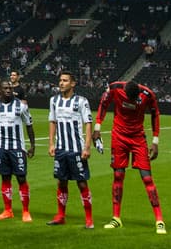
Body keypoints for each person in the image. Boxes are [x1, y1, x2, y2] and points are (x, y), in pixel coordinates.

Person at [94, 79, 166, 233]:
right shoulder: (115, 88)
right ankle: (116, 218)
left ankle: (159, 220)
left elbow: (155, 114)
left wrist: (155, 141)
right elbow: (103, 103)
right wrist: (97, 127)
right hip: (119, 136)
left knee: (147, 178)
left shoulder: (148, 94)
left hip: (138, 138)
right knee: (118, 175)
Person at [48, 70, 95, 228]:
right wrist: (51, 143)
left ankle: (89, 219)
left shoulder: (81, 101)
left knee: (81, 183)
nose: (61, 83)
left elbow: (88, 123)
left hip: (76, 149)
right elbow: (52, 122)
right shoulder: (54, 101)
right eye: (60, 80)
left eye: (65, 80)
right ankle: (61, 215)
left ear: (73, 83)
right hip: (61, 149)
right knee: (61, 182)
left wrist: (87, 147)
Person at [0, 79, 37, 221]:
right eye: (5, 88)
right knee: (5, 177)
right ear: (0, 90)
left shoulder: (21, 106)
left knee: (21, 178)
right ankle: (7, 210)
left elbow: (29, 125)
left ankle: (25, 211)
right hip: (2, 148)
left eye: (10, 88)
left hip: (17, 148)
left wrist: (32, 145)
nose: (8, 90)